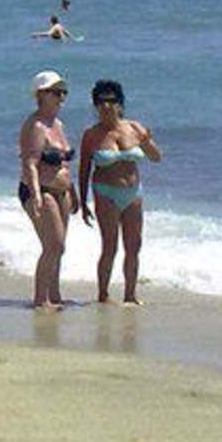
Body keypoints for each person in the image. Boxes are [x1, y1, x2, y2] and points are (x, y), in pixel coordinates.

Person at [78, 79, 163, 305]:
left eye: (111, 101)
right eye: (101, 102)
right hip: (106, 192)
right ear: (95, 105)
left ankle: (130, 295)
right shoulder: (91, 135)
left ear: (120, 104)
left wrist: (147, 141)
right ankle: (103, 295)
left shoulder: (134, 128)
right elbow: (84, 169)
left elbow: (156, 157)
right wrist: (83, 202)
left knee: (134, 246)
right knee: (110, 246)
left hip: (133, 193)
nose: (106, 106)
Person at [18, 69, 75, 309]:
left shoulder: (58, 124)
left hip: (62, 191)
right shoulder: (36, 125)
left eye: (63, 92)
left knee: (59, 248)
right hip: (41, 190)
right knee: (54, 244)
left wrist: (73, 191)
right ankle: (41, 299)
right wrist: (36, 196)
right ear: (41, 94)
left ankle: (55, 294)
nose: (61, 97)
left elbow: (63, 163)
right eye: (56, 92)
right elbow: (30, 163)